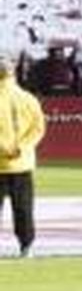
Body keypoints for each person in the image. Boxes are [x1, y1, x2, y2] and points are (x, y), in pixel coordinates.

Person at [0, 51, 45, 259]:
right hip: (22, 163)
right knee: (23, 209)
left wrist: (4, 148)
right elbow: (38, 129)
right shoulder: (29, 99)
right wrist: (22, 147)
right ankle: (26, 246)